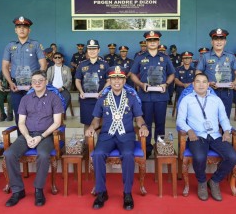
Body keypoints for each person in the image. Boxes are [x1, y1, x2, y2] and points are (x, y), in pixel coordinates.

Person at [85, 66, 149, 210]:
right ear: (110, 80)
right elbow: (96, 119)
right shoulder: (102, 98)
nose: (117, 81)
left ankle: (127, 193)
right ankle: (101, 192)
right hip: (106, 136)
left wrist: (143, 126)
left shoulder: (131, 97)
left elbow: (138, 117)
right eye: (114, 78)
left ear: (124, 80)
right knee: (98, 154)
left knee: (128, 155)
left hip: (125, 136)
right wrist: (91, 127)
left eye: (120, 78)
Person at [3, 70, 64, 207]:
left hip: (46, 135)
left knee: (43, 155)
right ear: (31, 83)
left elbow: (57, 123)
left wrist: (40, 137)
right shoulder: (25, 99)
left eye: (40, 80)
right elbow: (21, 122)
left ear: (46, 82)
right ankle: (18, 190)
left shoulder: (54, 98)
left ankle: (38, 190)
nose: (37, 83)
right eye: (34, 81)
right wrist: (27, 136)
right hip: (27, 134)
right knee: (9, 154)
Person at [176, 73, 236, 201]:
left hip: (215, 135)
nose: (201, 84)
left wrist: (226, 130)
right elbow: (180, 121)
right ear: (193, 84)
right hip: (197, 135)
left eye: (204, 82)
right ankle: (202, 182)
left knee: (232, 157)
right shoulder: (186, 100)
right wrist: (189, 130)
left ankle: (214, 181)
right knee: (199, 157)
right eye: (198, 82)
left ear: (208, 84)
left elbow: (223, 118)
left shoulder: (216, 100)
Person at [130, 31, 175, 158]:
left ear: (159, 42)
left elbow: (172, 74)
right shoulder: (140, 57)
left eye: (155, 40)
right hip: (145, 96)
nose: (153, 42)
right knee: (146, 123)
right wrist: (140, 84)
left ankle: (159, 146)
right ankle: (147, 148)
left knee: (160, 124)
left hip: (161, 96)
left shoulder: (165, 57)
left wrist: (166, 84)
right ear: (146, 42)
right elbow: (132, 74)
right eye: (150, 40)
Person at [2, 16, 47, 125]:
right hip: (15, 85)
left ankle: (35, 139)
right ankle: (21, 139)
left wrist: (37, 82)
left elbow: (43, 64)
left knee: (35, 113)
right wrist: (10, 83)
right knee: (19, 114)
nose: (22, 29)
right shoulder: (10, 46)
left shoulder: (35, 45)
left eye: (24, 27)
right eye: (19, 27)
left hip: (32, 86)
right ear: (15, 30)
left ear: (29, 30)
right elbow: (5, 66)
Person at [196, 28, 236, 119]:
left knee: (225, 118)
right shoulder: (205, 56)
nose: (219, 42)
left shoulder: (231, 56)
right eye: (216, 39)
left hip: (227, 92)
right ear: (212, 42)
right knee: (209, 117)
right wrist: (207, 83)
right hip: (210, 92)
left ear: (225, 42)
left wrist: (235, 83)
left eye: (221, 39)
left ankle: (224, 133)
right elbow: (198, 72)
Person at [75, 39, 109, 131]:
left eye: (94, 49)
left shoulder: (105, 64)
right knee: (87, 123)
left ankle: (100, 145)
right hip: (86, 99)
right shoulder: (82, 65)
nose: (92, 51)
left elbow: (109, 81)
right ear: (87, 50)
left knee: (100, 123)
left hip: (100, 98)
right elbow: (77, 80)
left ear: (99, 50)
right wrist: (81, 91)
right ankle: (87, 145)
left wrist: (102, 91)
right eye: (90, 49)